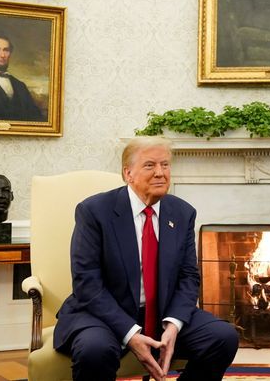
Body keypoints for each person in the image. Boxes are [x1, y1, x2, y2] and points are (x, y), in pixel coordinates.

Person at [53, 137, 239, 381]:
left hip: (161, 312)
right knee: (94, 350)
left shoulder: (182, 213)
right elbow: (87, 283)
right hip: (103, 314)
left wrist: (173, 324)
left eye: (165, 165)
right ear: (128, 173)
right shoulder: (94, 211)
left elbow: (188, 276)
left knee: (223, 337)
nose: (160, 173)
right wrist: (130, 333)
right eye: (150, 165)